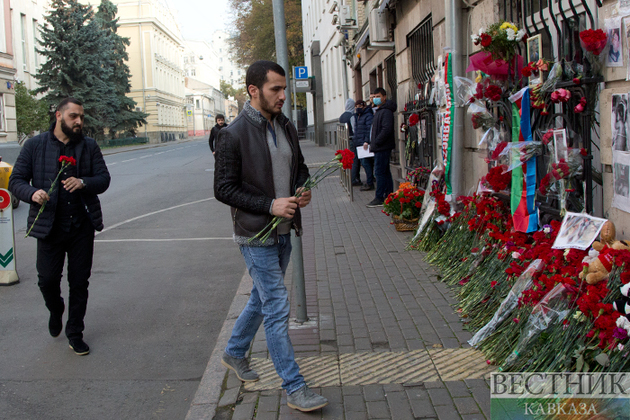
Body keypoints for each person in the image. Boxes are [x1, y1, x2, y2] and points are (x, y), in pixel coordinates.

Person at [214, 60, 328, 412]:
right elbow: (223, 189)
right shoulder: (231, 135)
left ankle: (234, 352)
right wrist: (269, 204)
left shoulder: (286, 126)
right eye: (275, 89)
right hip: (254, 234)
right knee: (278, 306)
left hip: (283, 231)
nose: (283, 95)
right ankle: (295, 387)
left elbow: (301, 168)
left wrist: (301, 188)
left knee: (263, 300)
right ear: (254, 91)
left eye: (284, 89)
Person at [9, 98, 111, 356]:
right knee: (47, 280)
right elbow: (16, 180)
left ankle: (75, 332)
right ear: (58, 116)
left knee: (79, 282)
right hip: (49, 227)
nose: (79, 122)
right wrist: (32, 193)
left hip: (81, 226)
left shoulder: (88, 146)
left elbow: (103, 179)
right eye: (73, 116)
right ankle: (56, 309)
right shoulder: (34, 145)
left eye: (81, 117)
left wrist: (84, 182)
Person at [366, 87, 396, 207]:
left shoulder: (386, 111)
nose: (375, 99)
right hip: (380, 146)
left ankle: (380, 197)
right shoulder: (379, 110)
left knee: (379, 172)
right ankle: (389, 195)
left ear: (384, 97)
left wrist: (377, 142)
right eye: (374, 97)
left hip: (382, 146)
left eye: (378, 96)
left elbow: (386, 129)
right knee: (385, 171)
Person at [354, 100, 375, 191]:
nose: (358, 108)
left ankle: (370, 182)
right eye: (356, 106)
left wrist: (366, 141)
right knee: (365, 163)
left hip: (364, 144)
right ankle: (369, 181)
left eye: (359, 106)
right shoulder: (359, 116)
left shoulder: (368, 115)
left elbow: (368, 129)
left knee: (366, 163)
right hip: (359, 143)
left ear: (364, 106)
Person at [339, 98, 360, 185]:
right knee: (354, 160)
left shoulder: (342, 116)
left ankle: (347, 177)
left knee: (346, 159)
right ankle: (353, 179)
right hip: (351, 139)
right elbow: (354, 128)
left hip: (343, 139)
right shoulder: (352, 115)